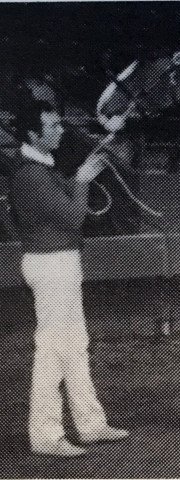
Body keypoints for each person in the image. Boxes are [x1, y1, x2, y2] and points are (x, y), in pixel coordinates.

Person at [9, 100, 128, 456]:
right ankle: (46, 434)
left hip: (59, 262)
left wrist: (109, 137)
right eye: (52, 126)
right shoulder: (29, 175)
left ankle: (90, 423)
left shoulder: (41, 169)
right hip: (51, 265)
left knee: (74, 344)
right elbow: (74, 218)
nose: (60, 130)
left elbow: (76, 182)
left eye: (59, 123)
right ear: (33, 134)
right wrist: (81, 182)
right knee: (52, 349)